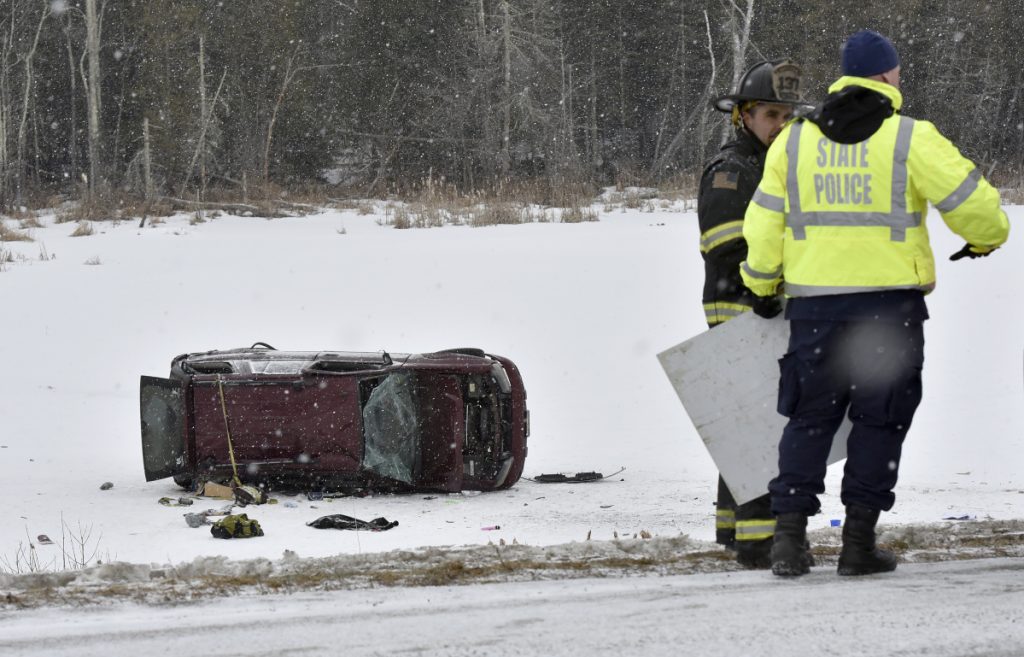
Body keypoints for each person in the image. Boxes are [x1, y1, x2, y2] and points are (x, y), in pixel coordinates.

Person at [740, 29, 1010, 577]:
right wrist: (987, 238)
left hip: (814, 310)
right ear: (887, 76)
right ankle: (858, 543)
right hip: (889, 311)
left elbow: (764, 223)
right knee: (879, 422)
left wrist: (762, 284)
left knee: (809, 418)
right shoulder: (910, 137)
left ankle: (789, 538)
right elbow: (974, 204)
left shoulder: (794, 141)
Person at [697, 59, 806, 569]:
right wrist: (767, 282)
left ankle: (735, 529)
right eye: (770, 115)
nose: (780, 125)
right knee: (760, 425)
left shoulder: (780, 166)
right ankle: (759, 540)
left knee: (752, 424)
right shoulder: (732, 169)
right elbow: (723, 245)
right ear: (743, 115)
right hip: (739, 309)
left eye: (787, 116)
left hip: (771, 307)